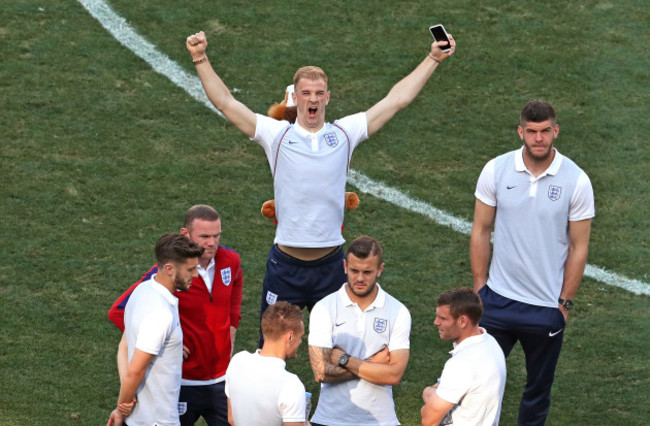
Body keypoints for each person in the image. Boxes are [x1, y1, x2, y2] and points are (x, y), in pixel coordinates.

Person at [185, 30, 456, 339]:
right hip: (285, 266)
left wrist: (433, 57)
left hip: (330, 267)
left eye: (318, 93)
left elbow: (397, 100)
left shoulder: (344, 133)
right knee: (273, 348)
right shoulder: (277, 135)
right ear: (296, 96)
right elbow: (225, 102)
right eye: (306, 92)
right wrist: (200, 57)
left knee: (340, 348)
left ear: (327, 97)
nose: (312, 98)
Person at [470, 100, 595, 425]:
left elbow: (580, 247)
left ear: (555, 131)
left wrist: (563, 304)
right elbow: (481, 229)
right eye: (531, 132)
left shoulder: (576, 180)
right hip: (496, 300)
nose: (538, 138)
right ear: (520, 132)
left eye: (544, 132)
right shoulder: (496, 170)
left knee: (538, 391)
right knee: (477, 381)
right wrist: (480, 288)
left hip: (545, 308)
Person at [107, 205, 244, 426]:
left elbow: (236, 284)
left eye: (216, 236)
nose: (211, 243)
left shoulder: (230, 260)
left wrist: (232, 325)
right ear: (186, 234)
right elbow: (118, 312)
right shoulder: (167, 275)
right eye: (204, 236)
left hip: (221, 380)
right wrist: (157, 341)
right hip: (183, 384)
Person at [308, 235, 411, 425]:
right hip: (329, 420)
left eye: (367, 272)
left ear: (380, 270)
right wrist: (373, 363)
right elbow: (321, 372)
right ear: (345, 266)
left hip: (381, 421)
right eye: (354, 271)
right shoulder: (324, 308)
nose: (360, 278)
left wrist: (342, 359)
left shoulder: (398, 311)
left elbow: (394, 375)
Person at [107, 233, 204, 426]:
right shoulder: (161, 314)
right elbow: (135, 371)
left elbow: (124, 346)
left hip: (138, 419)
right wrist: (122, 405)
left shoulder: (141, 290)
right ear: (169, 269)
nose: (195, 275)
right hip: (157, 421)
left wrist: (125, 403)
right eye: (190, 269)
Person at [420, 287, 506, 426]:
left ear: (462, 322)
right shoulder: (490, 342)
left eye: (443, 318)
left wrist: (427, 392)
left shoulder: (462, 364)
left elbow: (428, 419)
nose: (436, 322)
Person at [225, 301, 309, 426]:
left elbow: (232, 419)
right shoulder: (291, 385)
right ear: (290, 337)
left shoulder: (237, 361)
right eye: (300, 336)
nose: (300, 342)